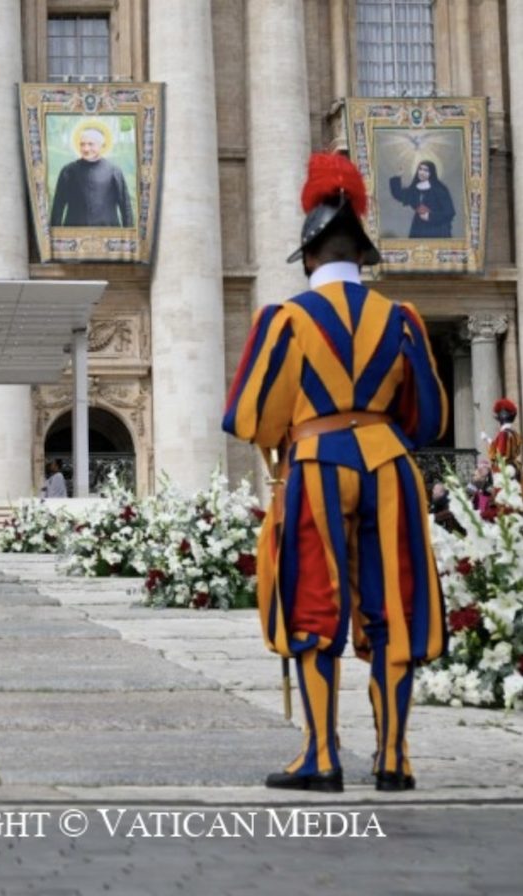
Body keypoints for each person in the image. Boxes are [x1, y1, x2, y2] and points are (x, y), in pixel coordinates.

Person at [223, 151, 447, 793]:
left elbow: (246, 416)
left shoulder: (286, 319)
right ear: (362, 255)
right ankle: (395, 758)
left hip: (317, 463)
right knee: (394, 607)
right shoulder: (401, 318)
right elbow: (427, 417)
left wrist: (291, 429)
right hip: (389, 464)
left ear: (311, 258)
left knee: (314, 605)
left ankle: (321, 755)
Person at [48, 124, 133, 228]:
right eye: (82, 144)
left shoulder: (114, 171)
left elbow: (125, 207)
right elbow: (58, 206)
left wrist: (129, 237)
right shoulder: (68, 171)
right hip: (74, 233)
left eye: (90, 144)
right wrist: (55, 236)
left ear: (101, 145)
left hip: (108, 232)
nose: (86, 148)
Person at [388, 160, 455, 239]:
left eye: (426, 170)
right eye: (420, 169)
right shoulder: (415, 188)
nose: (422, 172)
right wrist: (397, 177)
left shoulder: (439, 189)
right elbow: (400, 195)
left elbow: (449, 212)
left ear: (431, 172)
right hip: (419, 227)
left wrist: (430, 216)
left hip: (437, 229)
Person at [486, 398, 522, 481]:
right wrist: (487, 439)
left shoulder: (503, 433)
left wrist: (493, 457)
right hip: (515, 466)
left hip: (505, 467)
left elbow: (499, 453)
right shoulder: (514, 433)